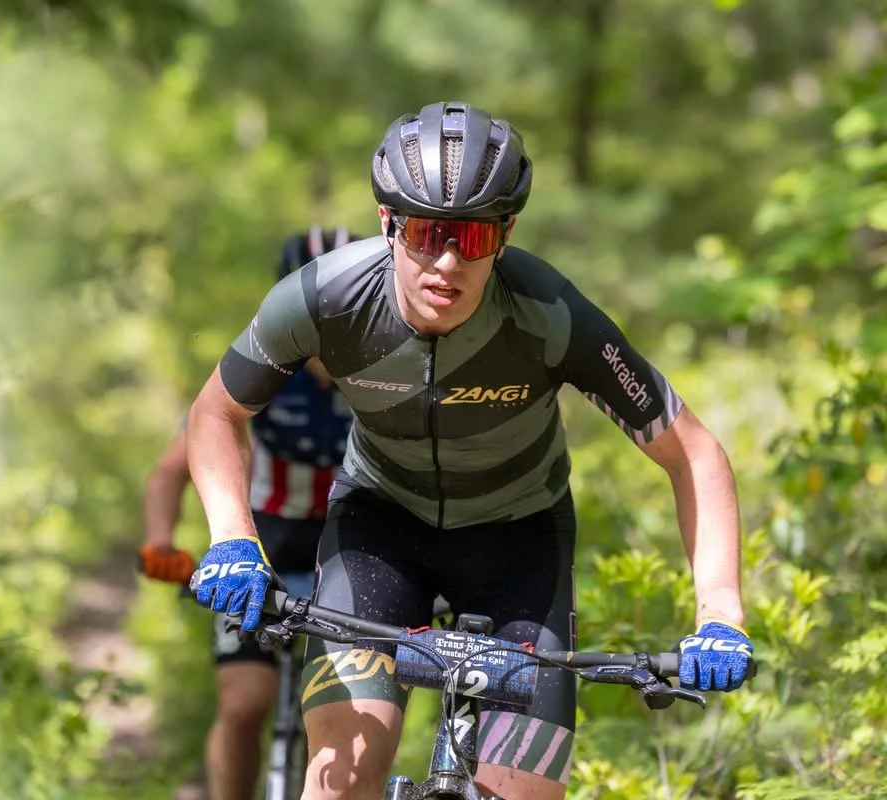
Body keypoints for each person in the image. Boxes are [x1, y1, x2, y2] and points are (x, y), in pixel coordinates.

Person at [183, 101, 755, 800]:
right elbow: (217, 412)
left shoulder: (550, 314)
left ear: (507, 233)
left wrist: (720, 615)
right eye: (425, 233)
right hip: (377, 534)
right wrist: (233, 541)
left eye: (475, 239)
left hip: (520, 545)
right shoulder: (323, 298)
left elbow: (692, 452)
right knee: (339, 780)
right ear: (388, 224)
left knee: (522, 792)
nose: (447, 264)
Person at [139, 226, 361, 800]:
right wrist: (160, 543)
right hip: (259, 551)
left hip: (347, 561)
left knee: (337, 725)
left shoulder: (383, 371)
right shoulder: (261, 366)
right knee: (245, 703)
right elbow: (170, 469)